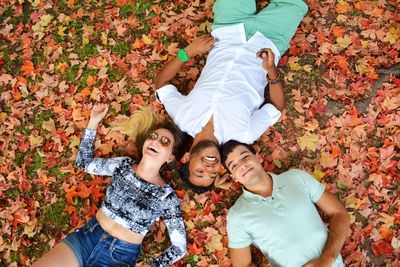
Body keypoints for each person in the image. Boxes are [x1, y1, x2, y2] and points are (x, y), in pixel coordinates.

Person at [154, 0, 308, 189]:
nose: (209, 167)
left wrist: (188, 52)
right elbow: (276, 107)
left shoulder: (182, 118)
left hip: (228, 28)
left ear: (186, 158)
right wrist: (271, 72)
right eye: (212, 173)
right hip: (270, 39)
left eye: (200, 171)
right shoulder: (243, 135)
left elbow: (161, 84)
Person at [33, 104, 187, 267]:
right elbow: (84, 163)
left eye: (164, 141)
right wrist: (93, 121)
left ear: (170, 157)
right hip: (86, 239)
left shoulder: (166, 196)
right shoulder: (123, 165)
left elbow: (179, 248)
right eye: (153, 136)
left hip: (119, 258)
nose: (155, 141)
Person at [220, 140, 350, 267]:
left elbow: (339, 213)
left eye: (245, 157)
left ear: (258, 157)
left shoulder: (297, 177)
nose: (242, 165)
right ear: (234, 177)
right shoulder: (237, 216)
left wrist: (326, 260)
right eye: (234, 166)